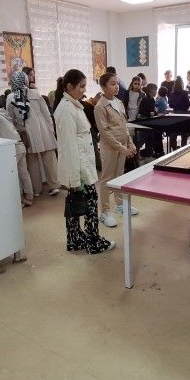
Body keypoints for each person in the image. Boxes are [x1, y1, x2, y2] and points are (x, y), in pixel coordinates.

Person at [54, 69, 115, 254]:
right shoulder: (66, 110)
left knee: (75, 204)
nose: (84, 90)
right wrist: (75, 179)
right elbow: (69, 147)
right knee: (89, 205)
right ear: (69, 86)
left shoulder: (74, 106)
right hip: (79, 169)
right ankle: (93, 243)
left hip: (82, 165)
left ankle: (75, 240)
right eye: (81, 86)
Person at [7, 70, 61, 197]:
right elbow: (46, 114)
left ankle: (36, 189)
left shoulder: (11, 98)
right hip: (43, 130)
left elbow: (10, 118)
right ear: (26, 81)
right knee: (49, 159)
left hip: (26, 133)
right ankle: (54, 185)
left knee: (32, 162)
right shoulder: (35, 94)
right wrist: (51, 129)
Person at [95, 73, 138, 228]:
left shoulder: (119, 102)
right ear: (103, 86)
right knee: (107, 178)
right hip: (109, 147)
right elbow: (105, 132)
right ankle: (105, 212)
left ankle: (120, 204)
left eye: (117, 83)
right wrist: (122, 148)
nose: (117, 86)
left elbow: (123, 126)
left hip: (123, 146)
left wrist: (130, 143)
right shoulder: (100, 106)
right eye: (112, 84)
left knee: (119, 175)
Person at [0, 98, 34, 207]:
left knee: (12, 174)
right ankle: (29, 197)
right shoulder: (6, 115)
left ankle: (19, 200)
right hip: (20, 145)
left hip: (12, 148)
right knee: (24, 173)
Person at [138, 83, 165, 158]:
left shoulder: (152, 99)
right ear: (151, 91)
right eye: (156, 90)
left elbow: (153, 111)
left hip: (150, 123)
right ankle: (134, 154)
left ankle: (148, 152)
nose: (156, 92)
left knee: (150, 140)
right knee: (141, 140)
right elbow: (142, 112)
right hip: (144, 123)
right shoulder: (145, 100)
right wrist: (151, 113)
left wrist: (154, 113)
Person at [168, 77, 190, 150]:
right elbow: (187, 104)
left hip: (175, 113)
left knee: (174, 132)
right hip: (184, 114)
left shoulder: (172, 93)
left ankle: (174, 147)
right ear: (182, 84)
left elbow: (170, 105)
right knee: (184, 133)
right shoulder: (185, 93)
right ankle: (183, 148)